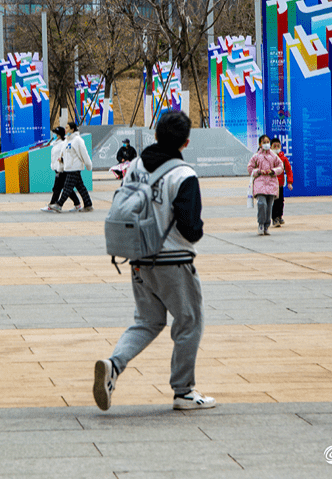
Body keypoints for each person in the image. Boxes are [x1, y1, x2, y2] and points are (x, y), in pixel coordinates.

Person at [93, 110, 213, 411]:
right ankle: (183, 392)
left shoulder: (135, 166)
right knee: (189, 322)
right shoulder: (184, 175)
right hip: (175, 260)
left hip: (138, 257)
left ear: (155, 135)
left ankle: (113, 365)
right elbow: (190, 228)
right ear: (186, 143)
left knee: (147, 321)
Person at [46, 121, 93, 213]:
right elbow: (66, 154)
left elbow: (84, 154)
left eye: (67, 127)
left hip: (74, 168)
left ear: (73, 129)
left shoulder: (78, 140)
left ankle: (59, 205)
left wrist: (88, 165)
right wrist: (62, 161)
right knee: (81, 187)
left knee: (67, 187)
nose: (65, 129)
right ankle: (88, 204)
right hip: (68, 167)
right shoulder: (67, 140)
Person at [247, 134, 283, 236]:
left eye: (268, 142)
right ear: (260, 144)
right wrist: (258, 171)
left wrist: (273, 171)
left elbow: (281, 166)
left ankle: (267, 225)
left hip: (271, 184)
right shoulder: (256, 156)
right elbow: (250, 168)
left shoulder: (273, 156)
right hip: (260, 183)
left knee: (269, 206)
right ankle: (261, 224)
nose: (266, 144)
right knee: (262, 203)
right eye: (264, 142)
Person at [41, 127, 81, 212]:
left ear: (60, 135)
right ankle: (77, 204)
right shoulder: (56, 143)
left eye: (56, 134)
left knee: (57, 188)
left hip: (61, 169)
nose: (55, 135)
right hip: (58, 168)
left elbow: (65, 155)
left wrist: (61, 164)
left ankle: (52, 205)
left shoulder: (63, 144)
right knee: (66, 188)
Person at [270, 138, 293, 228]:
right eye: (274, 146)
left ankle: (279, 216)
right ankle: (274, 218)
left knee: (280, 201)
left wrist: (289, 182)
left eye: (278, 146)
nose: (276, 147)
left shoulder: (283, 158)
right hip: (271, 183)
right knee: (274, 201)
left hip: (280, 184)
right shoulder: (268, 158)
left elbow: (288, 170)